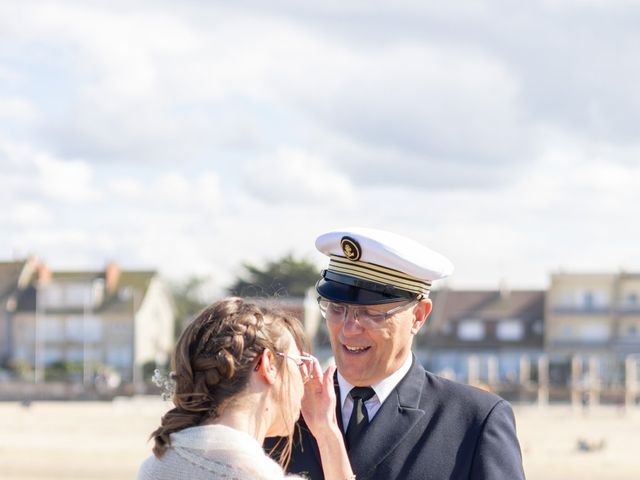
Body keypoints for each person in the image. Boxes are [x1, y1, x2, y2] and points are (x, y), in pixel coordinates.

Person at [278, 227, 525, 479]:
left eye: (372, 313)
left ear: (418, 316)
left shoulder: (474, 420)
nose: (349, 329)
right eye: (337, 308)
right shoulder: (282, 411)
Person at [137, 297, 355, 480]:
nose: (305, 380)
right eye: (300, 364)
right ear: (268, 364)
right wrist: (327, 431)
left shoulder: (152, 469)